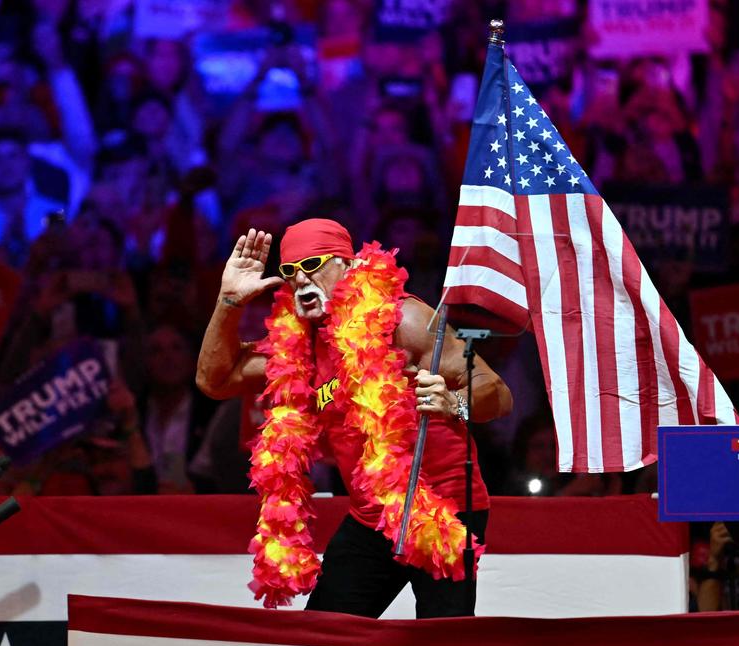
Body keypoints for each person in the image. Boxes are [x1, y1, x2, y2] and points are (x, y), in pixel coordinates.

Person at [195, 220, 512, 618]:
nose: (301, 280)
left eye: (313, 264)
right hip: (370, 517)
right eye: (291, 272)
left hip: (443, 509)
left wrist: (455, 403)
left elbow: (497, 392)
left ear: (347, 265)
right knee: (324, 636)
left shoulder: (404, 320)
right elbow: (215, 380)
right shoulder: (298, 343)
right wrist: (229, 301)